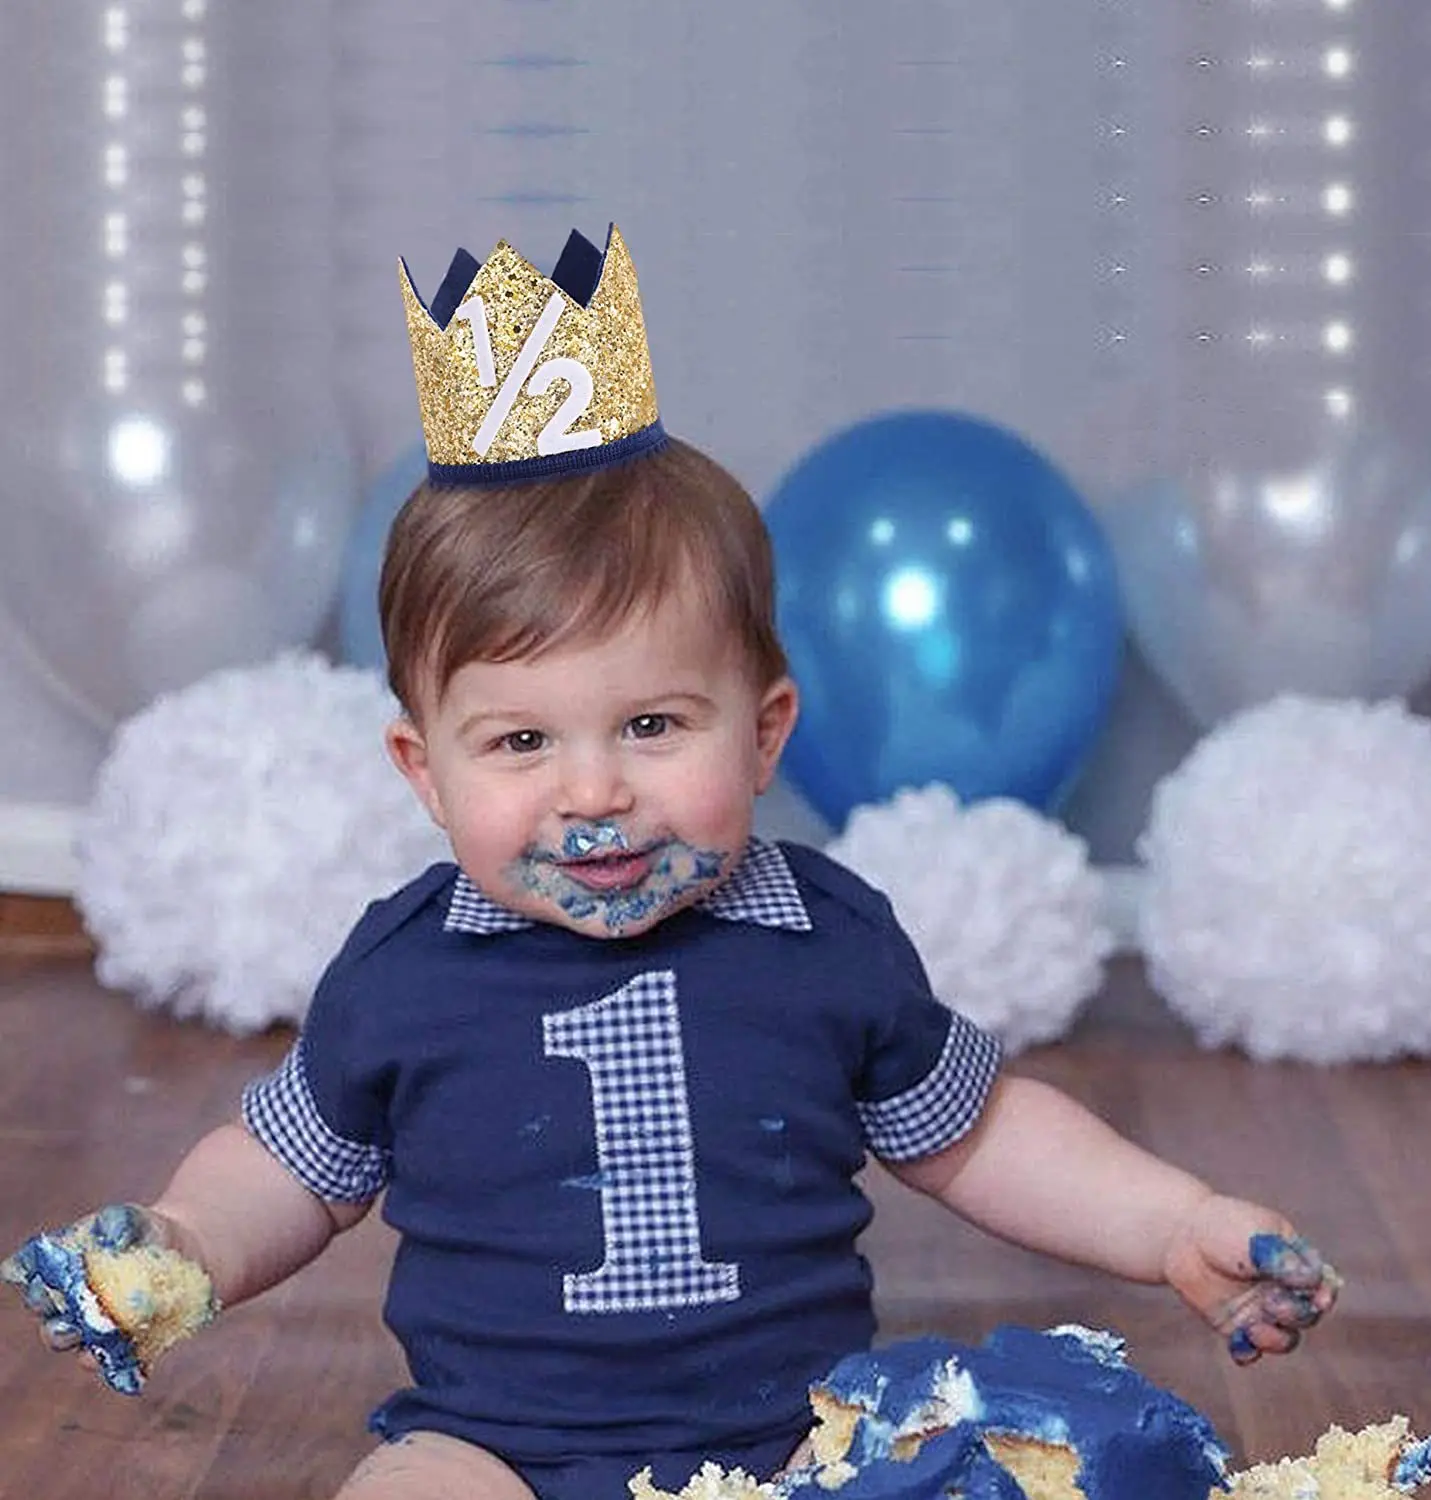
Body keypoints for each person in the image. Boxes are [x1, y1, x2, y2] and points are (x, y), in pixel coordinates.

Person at [3, 226, 1337, 1500]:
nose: (594, 793)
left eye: (651, 725)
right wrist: (181, 1247)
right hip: (493, 1449)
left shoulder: (824, 940)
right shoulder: (404, 973)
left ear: (763, 736)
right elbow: (288, 1168)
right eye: (521, 741)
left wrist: (1173, 1223)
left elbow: (980, 1134)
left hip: (795, 1445)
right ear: (427, 772)